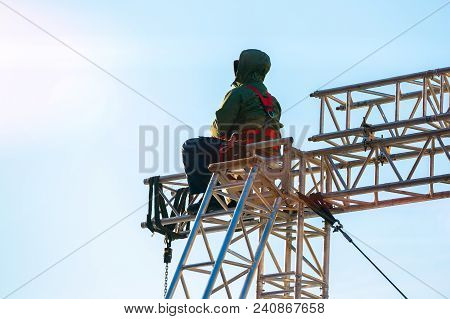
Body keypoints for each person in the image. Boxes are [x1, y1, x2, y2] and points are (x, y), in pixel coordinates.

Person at [182, 49, 283, 213]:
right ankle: (238, 201)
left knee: (192, 146)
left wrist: (219, 136)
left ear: (244, 68)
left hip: (243, 153)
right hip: (270, 155)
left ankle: (215, 198)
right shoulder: (274, 101)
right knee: (226, 153)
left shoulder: (238, 93)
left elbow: (221, 125)